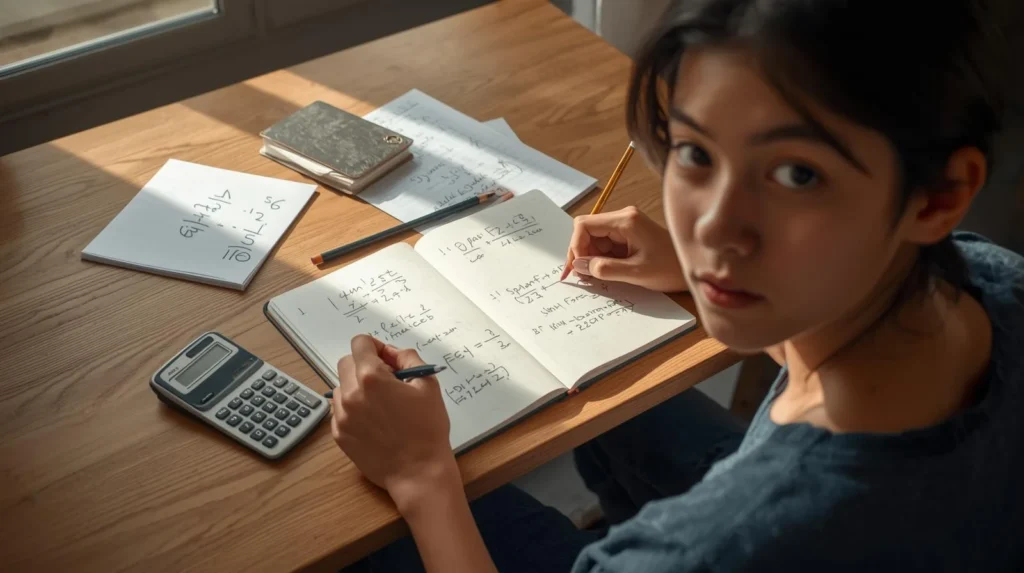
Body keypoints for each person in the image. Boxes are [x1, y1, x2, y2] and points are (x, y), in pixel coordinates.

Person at [333, 0, 1023, 570]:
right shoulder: (993, 278)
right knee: (619, 397)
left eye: (797, 175)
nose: (716, 230)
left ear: (939, 194)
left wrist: (425, 476)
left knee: (361, 536)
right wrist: (690, 280)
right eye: (696, 153)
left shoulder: (697, 551)